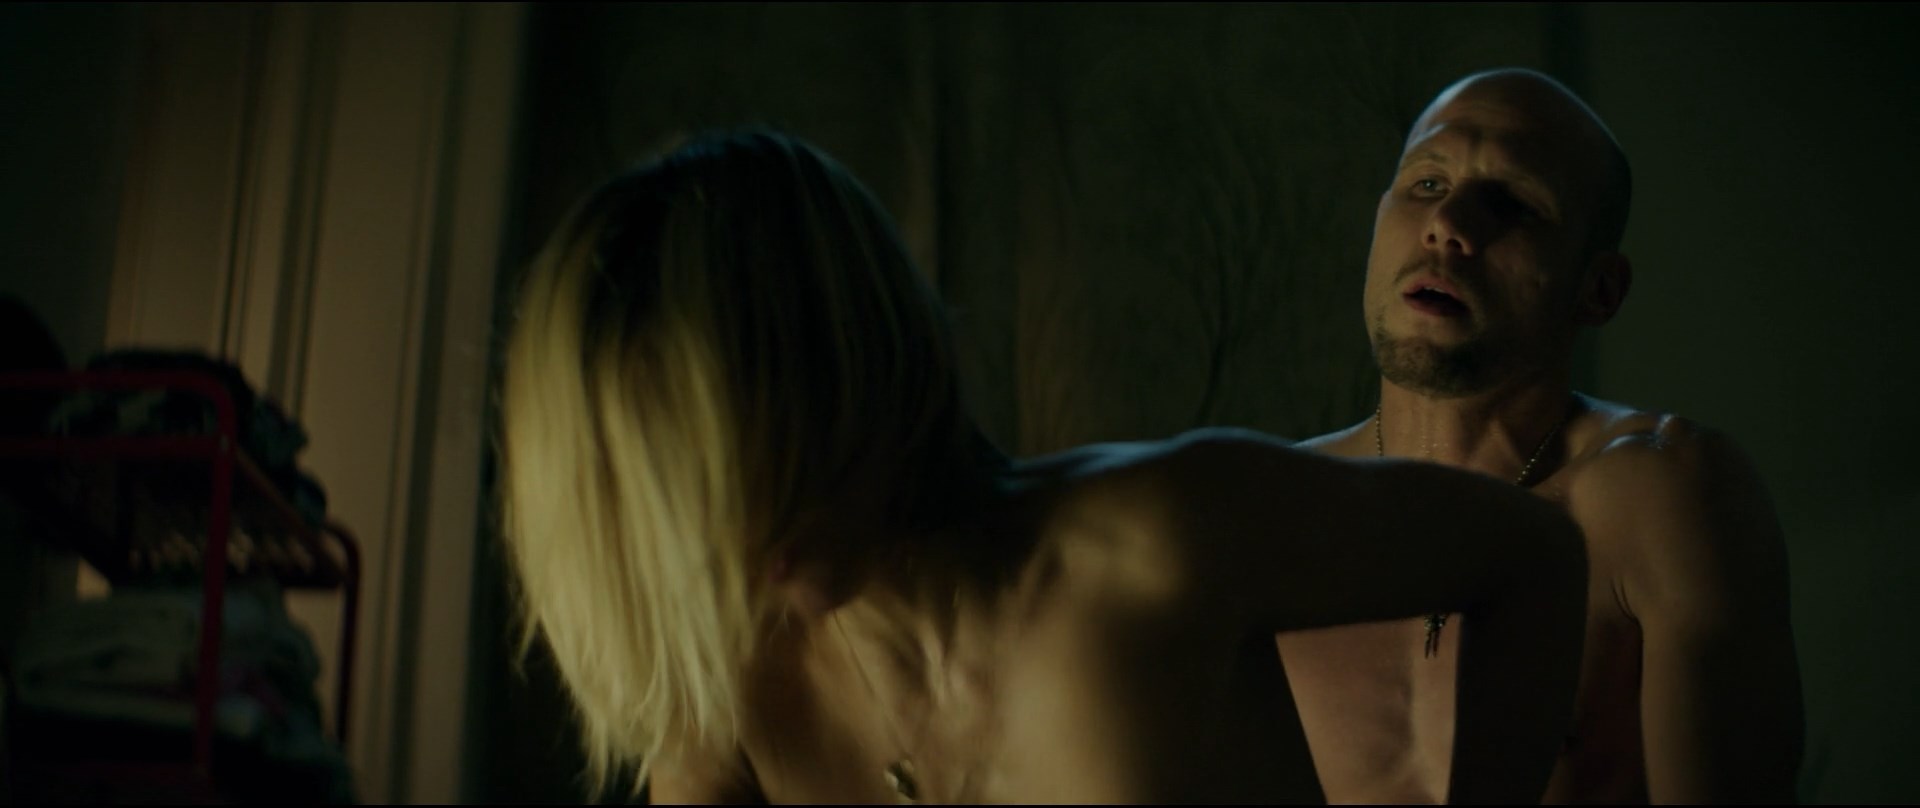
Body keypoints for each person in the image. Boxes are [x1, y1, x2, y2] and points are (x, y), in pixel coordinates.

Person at [498, 129, 1590, 804]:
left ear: (844, 357)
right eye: (669, 490)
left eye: (743, 450)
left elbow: (1533, 553)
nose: (719, 526)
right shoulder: (732, 702)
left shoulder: (1156, 539)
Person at [1276, 68, 1805, 804]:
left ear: (1599, 289)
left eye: (1513, 203)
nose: (1447, 224)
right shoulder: (1274, 518)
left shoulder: (1659, 493)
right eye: (1427, 184)